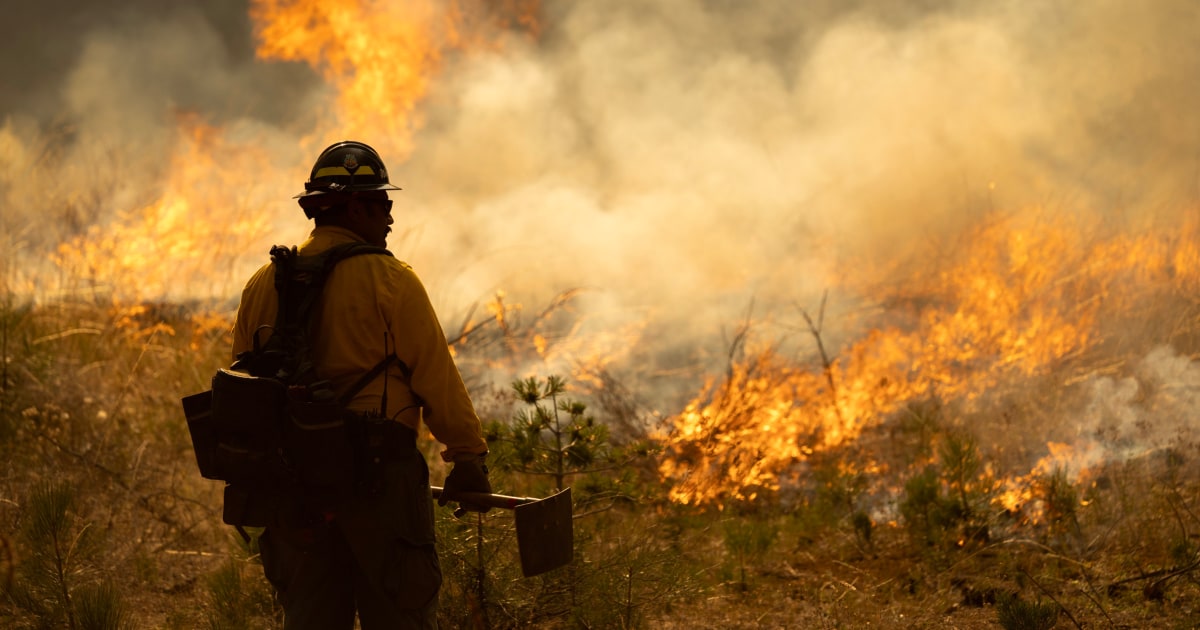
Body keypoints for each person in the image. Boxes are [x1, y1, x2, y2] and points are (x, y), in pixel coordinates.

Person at [231, 140, 491, 629]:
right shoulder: (393, 280)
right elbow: (437, 379)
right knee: (400, 615)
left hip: (294, 488)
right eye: (383, 205)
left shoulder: (263, 283)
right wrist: (468, 458)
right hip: (380, 483)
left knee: (309, 618)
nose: (391, 219)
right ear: (354, 207)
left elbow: (244, 384)